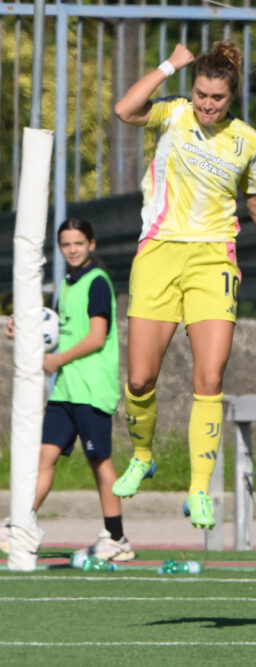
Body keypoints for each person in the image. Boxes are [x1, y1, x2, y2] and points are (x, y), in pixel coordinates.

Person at [110, 41, 256, 530]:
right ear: (193, 90)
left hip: (213, 261)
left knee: (209, 378)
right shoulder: (171, 115)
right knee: (140, 378)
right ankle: (143, 455)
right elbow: (124, 109)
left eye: (218, 99)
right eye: (203, 95)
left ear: (232, 98)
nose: (208, 105)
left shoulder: (245, 141)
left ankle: (200, 490)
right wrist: (169, 65)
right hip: (159, 254)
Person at [0, 218, 132, 561]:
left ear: (91, 244)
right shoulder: (67, 283)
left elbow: (96, 337)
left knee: (99, 461)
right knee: (44, 456)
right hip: (65, 390)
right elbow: (54, 329)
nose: (72, 250)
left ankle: (116, 538)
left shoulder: (97, 281)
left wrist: (57, 361)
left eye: (78, 243)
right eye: (66, 244)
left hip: (91, 387)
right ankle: (21, 525)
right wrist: (22, 327)